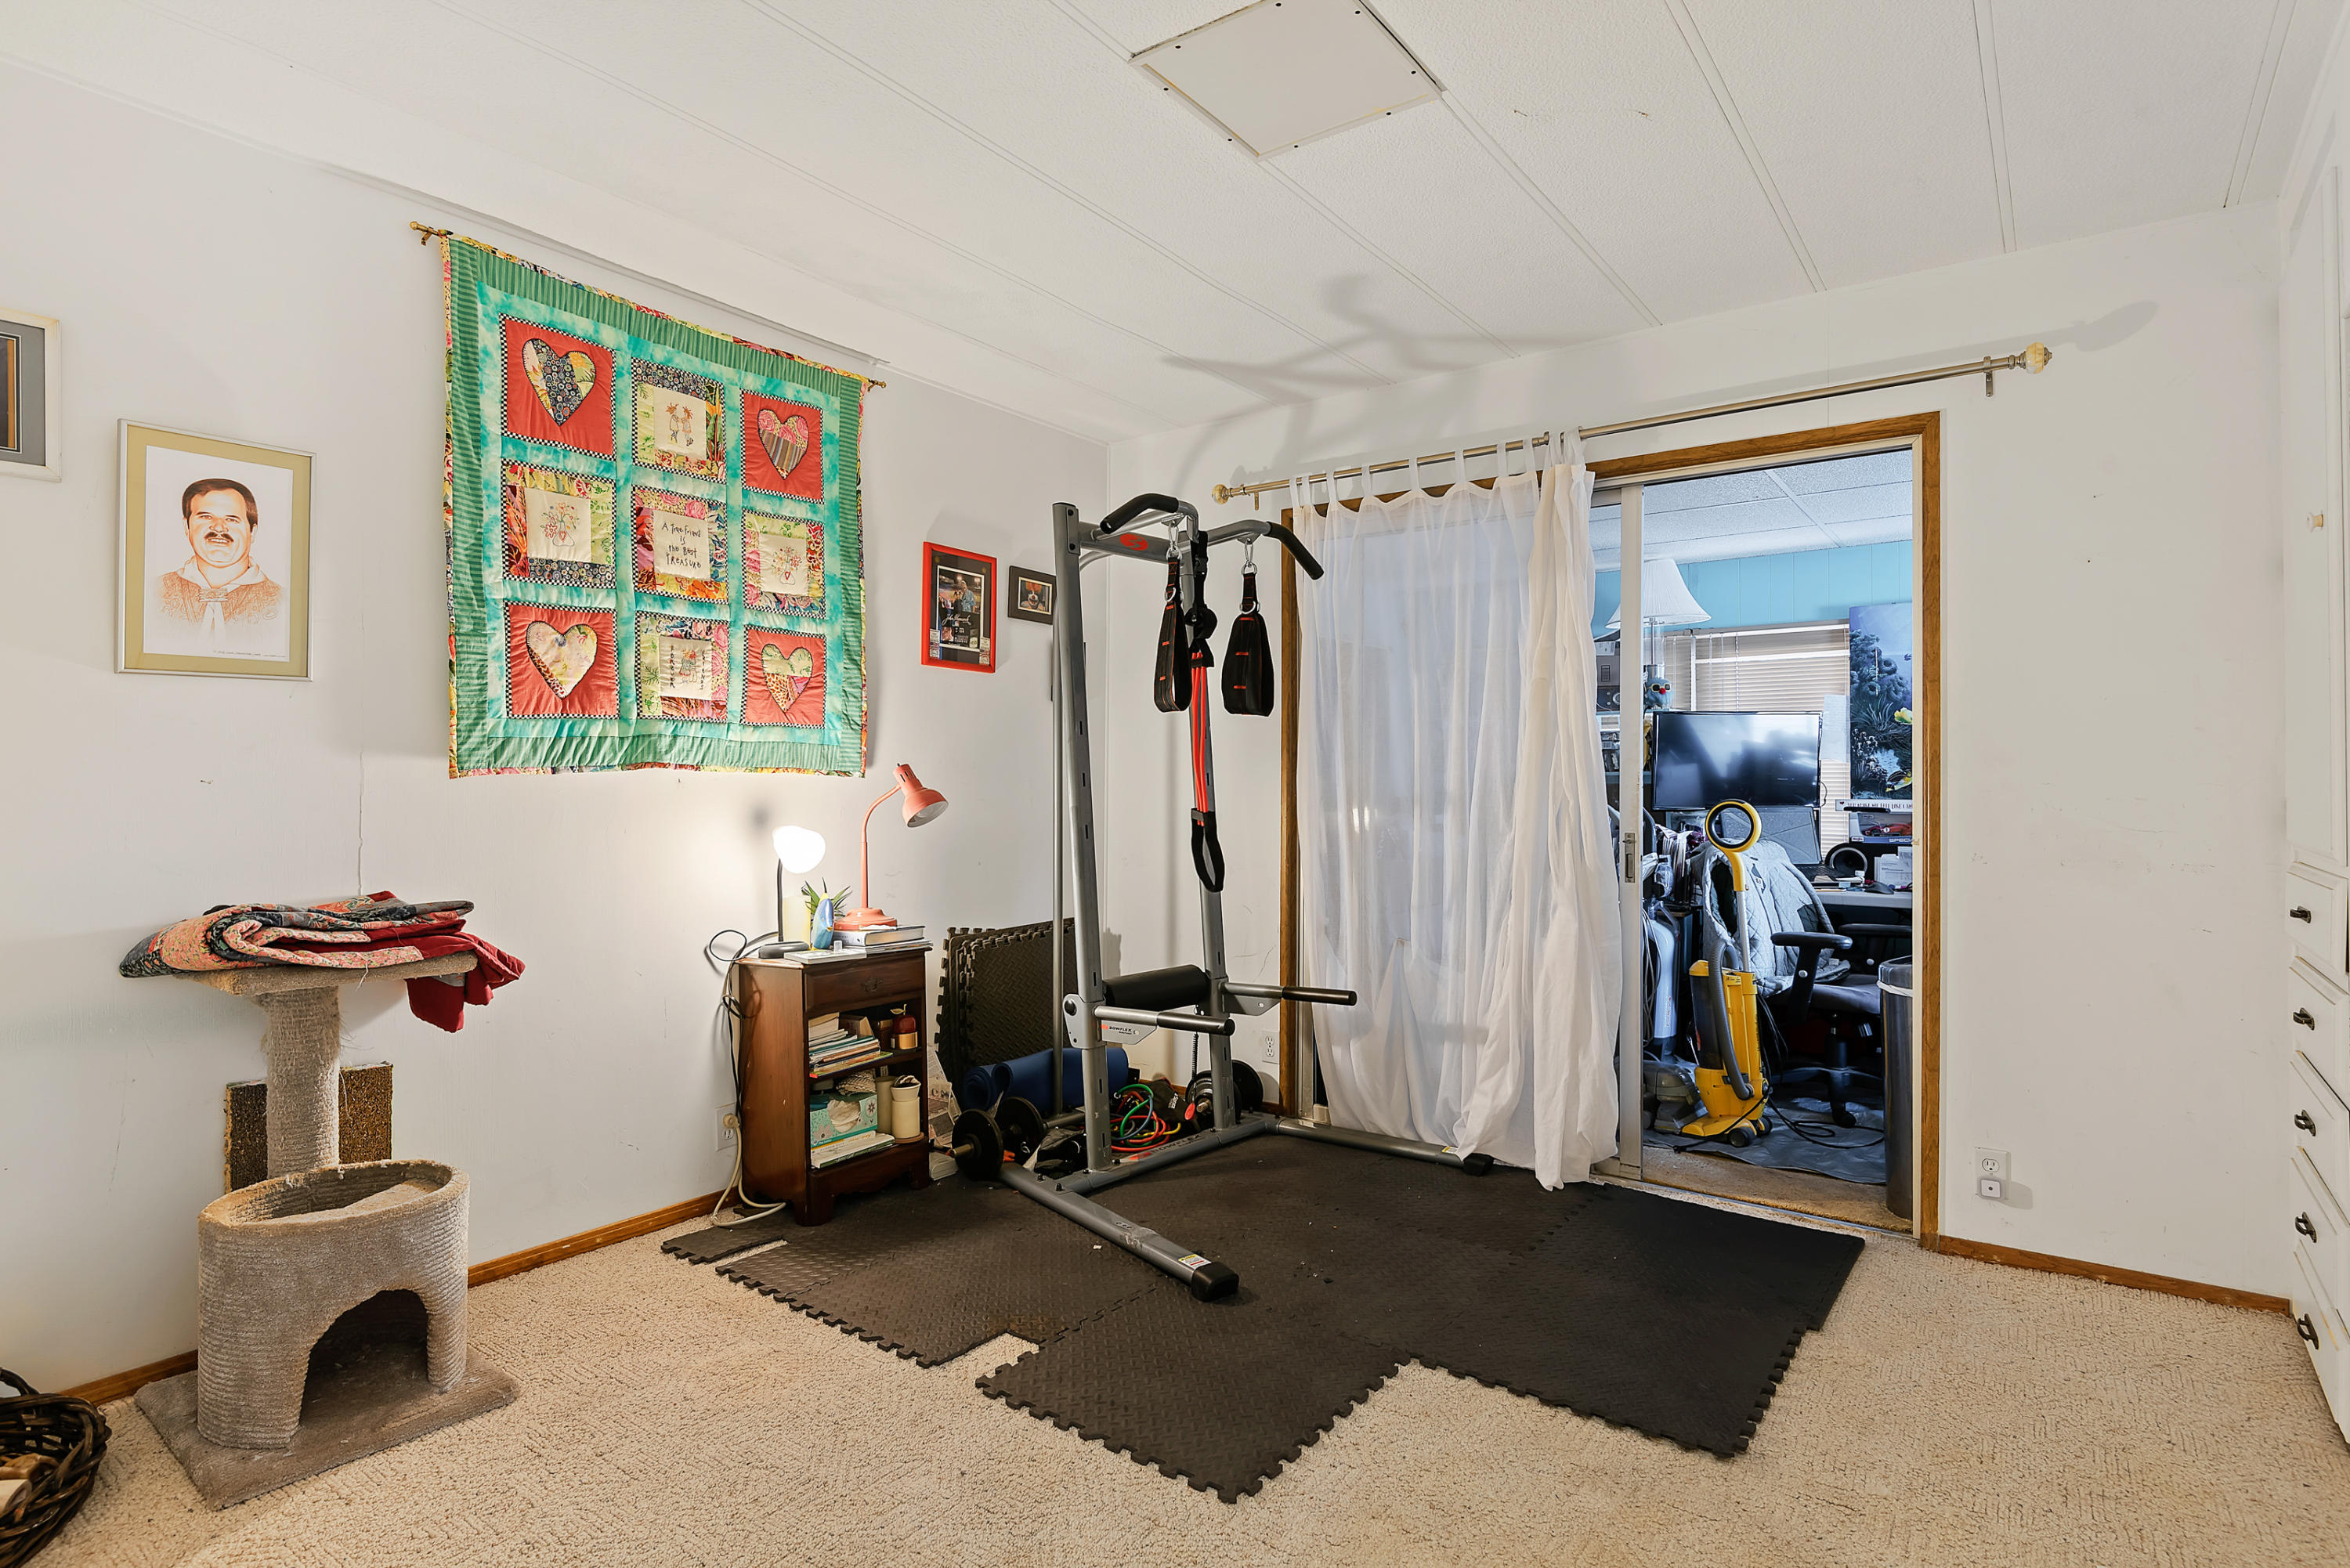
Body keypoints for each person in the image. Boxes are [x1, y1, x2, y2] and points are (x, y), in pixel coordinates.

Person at [154, 478, 282, 640]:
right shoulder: (153, 594)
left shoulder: (284, 605)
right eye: (206, 517)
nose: (219, 527)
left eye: (232, 519)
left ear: (252, 532)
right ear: (187, 527)